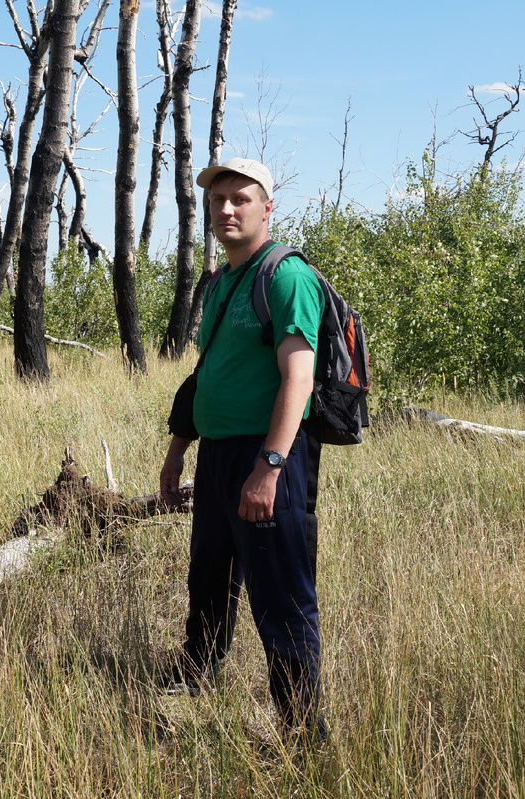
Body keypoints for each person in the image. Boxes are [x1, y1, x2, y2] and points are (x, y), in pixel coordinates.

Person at [159, 157, 327, 741]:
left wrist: (270, 467)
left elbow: (298, 379)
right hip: (218, 456)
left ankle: (302, 732)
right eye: (217, 200)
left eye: (240, 199)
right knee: (208, 577)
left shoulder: (286, 276)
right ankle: (196, 676)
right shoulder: (223, 280)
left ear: (267, 207)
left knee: (280, 595)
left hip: (268, 457)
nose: (226, 209)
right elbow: (209, 373)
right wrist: (178, 450)